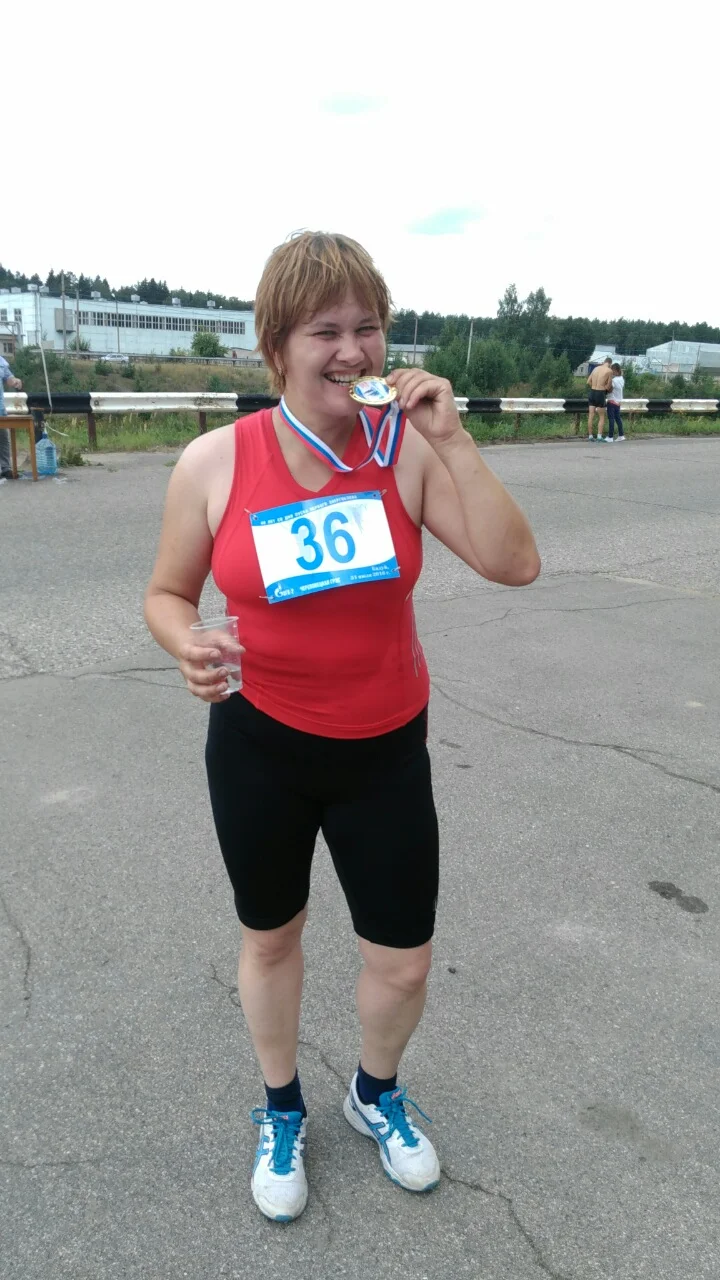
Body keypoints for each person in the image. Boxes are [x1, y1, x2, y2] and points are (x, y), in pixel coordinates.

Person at [144, 231, 541, 1224]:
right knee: (272, 938)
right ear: (276, 344)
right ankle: (281, 1107)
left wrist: (454, 441)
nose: (353, 350)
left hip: (385, 749)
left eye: (368, 327)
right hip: (259, 745)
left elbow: (514, 564)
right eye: (325, 330)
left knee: (402, 959)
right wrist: (186, 640)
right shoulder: (214, 461)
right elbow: (165, 593)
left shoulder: (405, 451)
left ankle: (373, 1091)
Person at [0, 353, 24, 480]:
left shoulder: (1, 362)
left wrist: (15, 381)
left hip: (0, 409)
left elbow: (9, 378)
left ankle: (6, 468)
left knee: (3, 438)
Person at [586, 356, 613, 441]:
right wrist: (604, 388)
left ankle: (590, 436)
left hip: (592, 392)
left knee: (591, 415)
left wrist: (595, 386)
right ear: (610, 364)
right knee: (601, 416)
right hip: (600, 393)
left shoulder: (595, 368)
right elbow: (608, 386)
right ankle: (599, 436)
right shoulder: (609, 371)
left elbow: (588, 382)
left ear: (604, 362)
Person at [605, 362, 625, 441]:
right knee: (618, 419)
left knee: (611, 419)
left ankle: (610, 437)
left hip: (612, 400)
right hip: (618, 402)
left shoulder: (613, 380)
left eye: (612, 370)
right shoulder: (621, 379)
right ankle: (621, 435)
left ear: (614, 370)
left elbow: (609, 390)